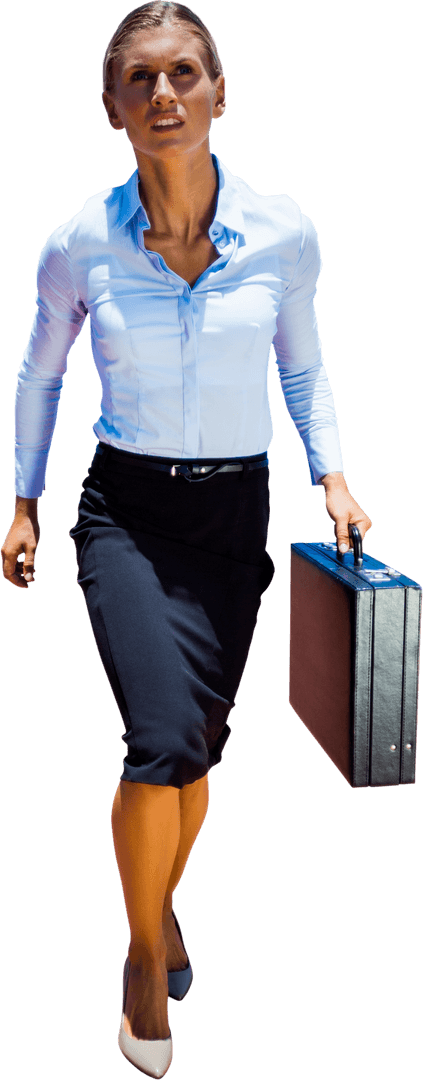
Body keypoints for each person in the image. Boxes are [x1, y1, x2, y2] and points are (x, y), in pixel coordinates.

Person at [1, 3, 373, 1076]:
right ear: (111, 106)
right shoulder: (79, 244)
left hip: (232, 518)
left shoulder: (285, 235)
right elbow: (42, 376)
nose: (163, 96)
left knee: (199, 747)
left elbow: (302, 367)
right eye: (139, 80)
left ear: (220, 92)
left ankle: (162, 912)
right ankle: (136, 959)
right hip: (126, 515)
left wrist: (335, 484)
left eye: (184, 75)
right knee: (159, 736)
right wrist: (24, 502)